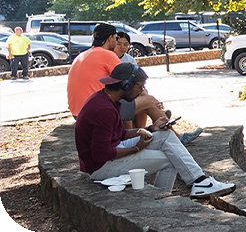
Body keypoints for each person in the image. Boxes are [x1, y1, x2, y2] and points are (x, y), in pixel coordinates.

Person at [75, 63, 236, 197]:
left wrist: (151, 129)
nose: (142, 91)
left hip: (109, 154)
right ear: (126, 85)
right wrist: (136, 148)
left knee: (164, 134)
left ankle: (200, 181)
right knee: (171, 160)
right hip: (100, 167)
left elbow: (119, 134)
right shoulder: (104, 110)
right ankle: (161, 199)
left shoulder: (109, 100)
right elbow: (100, 154)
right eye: (140, 86)